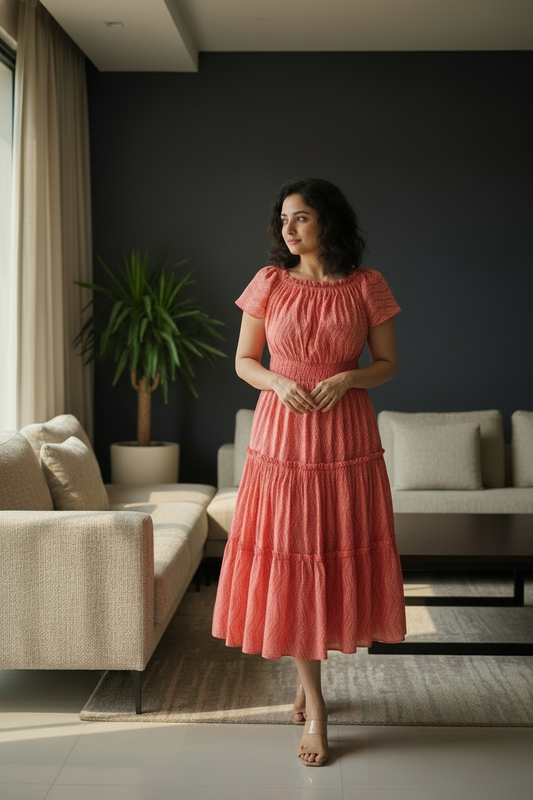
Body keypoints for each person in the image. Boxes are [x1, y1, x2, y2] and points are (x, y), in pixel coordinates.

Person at [212, 177, 406, 766]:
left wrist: (349, 377)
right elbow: (245, 361)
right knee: (295, 556)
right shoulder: (269, 282)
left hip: (345, 433)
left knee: (330, 549)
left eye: (299, 218)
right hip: (283, 434)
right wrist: (276, 380)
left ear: (328, 221)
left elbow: (388, 365)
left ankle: (307, 681)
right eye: (283, 221)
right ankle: (318, 712)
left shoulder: (367, 286)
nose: (287, 230)